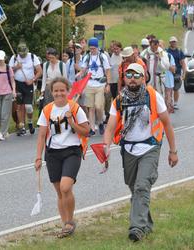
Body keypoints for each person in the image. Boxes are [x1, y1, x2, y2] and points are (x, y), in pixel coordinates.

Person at [103, 63, 178, 242]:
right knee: (133, 187)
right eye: (129, 75)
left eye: (137, 75)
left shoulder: (152, 95)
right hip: (128, 148)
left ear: (143, 77)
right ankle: (146, 223)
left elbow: (167, 123)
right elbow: (110, 127)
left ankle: (136, 229)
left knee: (142, 186)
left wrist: (173, 151)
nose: (133, 78)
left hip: (150, 147)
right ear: (124, 78)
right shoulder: (119, 100)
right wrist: (105, 146)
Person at [35, 77, 90, 238]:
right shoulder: (47, 110)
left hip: (72, 151)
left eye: (62, 90)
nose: (59, 93)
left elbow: (86, 131)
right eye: (56, 90)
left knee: (66, 187)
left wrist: (72, 121)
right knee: (60, 192)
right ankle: (65, 223)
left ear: (68, 91)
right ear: (52, 92)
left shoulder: (75, 107)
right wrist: (38, 157)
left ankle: (70, 221)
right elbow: (41, 136)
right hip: (52, 153)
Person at [9, 41, 42, 136]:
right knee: (19, 106)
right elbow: (9, 71)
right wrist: (16, 67)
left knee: (28, 107)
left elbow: (40, 71)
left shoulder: (32, 57)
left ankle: (30, 122)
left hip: (28, 85)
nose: (22, 55)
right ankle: (21, 126)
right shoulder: (14, 57)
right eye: (20, 54)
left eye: (23, 54)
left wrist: (33, 80)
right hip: (18, 84)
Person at [79, 37, 111, 136]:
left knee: (98, 106)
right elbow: (83, 70)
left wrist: (108, 84)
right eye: (91, 48)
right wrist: (80, 77)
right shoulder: (87, 57)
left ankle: (101, 122)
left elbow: (108, 71)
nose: (92, 50)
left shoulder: (103, 57)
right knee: (91, 107)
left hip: (100, 84)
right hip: (89, 84)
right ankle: (92, 128)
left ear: (97, 47)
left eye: (94, 48)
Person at [167, 36, 186, 110]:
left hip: (177, 73)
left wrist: (184, 73)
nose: (173, 43)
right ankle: (169, 102)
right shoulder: (167, 51)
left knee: (176, 88)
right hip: (169, 73)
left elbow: (183, 63)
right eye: (172, 42)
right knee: (168, 89)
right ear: (170, 43)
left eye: (174, 41)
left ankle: (175, 103)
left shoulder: (179, 52)